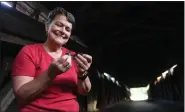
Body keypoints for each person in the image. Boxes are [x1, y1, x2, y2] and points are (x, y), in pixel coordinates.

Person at [11, 7, 92, 112]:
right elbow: (21, 94)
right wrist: (50, 74)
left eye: (68, 29)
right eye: (59, 25)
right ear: (47, 26)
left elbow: (84, 91)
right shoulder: (29, 52)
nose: (63, 31)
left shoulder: (74, 56)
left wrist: (83, 73)